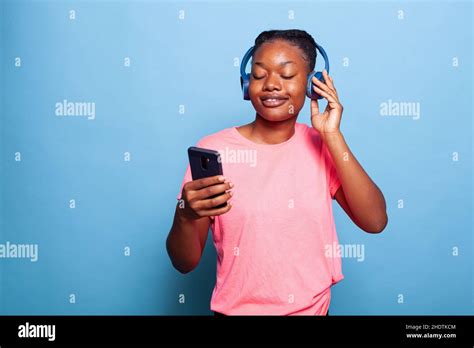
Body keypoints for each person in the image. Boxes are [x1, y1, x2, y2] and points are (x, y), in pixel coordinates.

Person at [166, 29, 388, 315]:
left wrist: (332, 135)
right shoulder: (214, 150)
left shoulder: (322, 147)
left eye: (286, 75)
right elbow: (184, 263)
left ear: (313, 85)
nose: (271, 85)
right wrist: (185, 214)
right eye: (259, 75)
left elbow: (375, 220)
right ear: (247, 84)